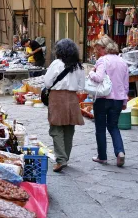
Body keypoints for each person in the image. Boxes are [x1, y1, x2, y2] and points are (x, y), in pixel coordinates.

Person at [44, 38, 85, 172]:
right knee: (69, 128)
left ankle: (61, 159)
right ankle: (65, 157)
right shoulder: (78, 66)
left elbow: (48, 82)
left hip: (57, 97)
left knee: (56, 129)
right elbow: (81, 86)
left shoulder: (56, 63)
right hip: (72, 98)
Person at [88, 35, 129, 167]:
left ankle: (102, 156)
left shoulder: (102, 60)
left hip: (102, 98)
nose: (97, 52)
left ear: (105, 48)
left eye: (99, 49)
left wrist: (90, 73)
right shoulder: (122, 62)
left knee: (100, 128)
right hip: (118, 99)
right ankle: (120, 152)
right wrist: (124, 101)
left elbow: (99, 77)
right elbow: (125, 84)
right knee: (113, 126)